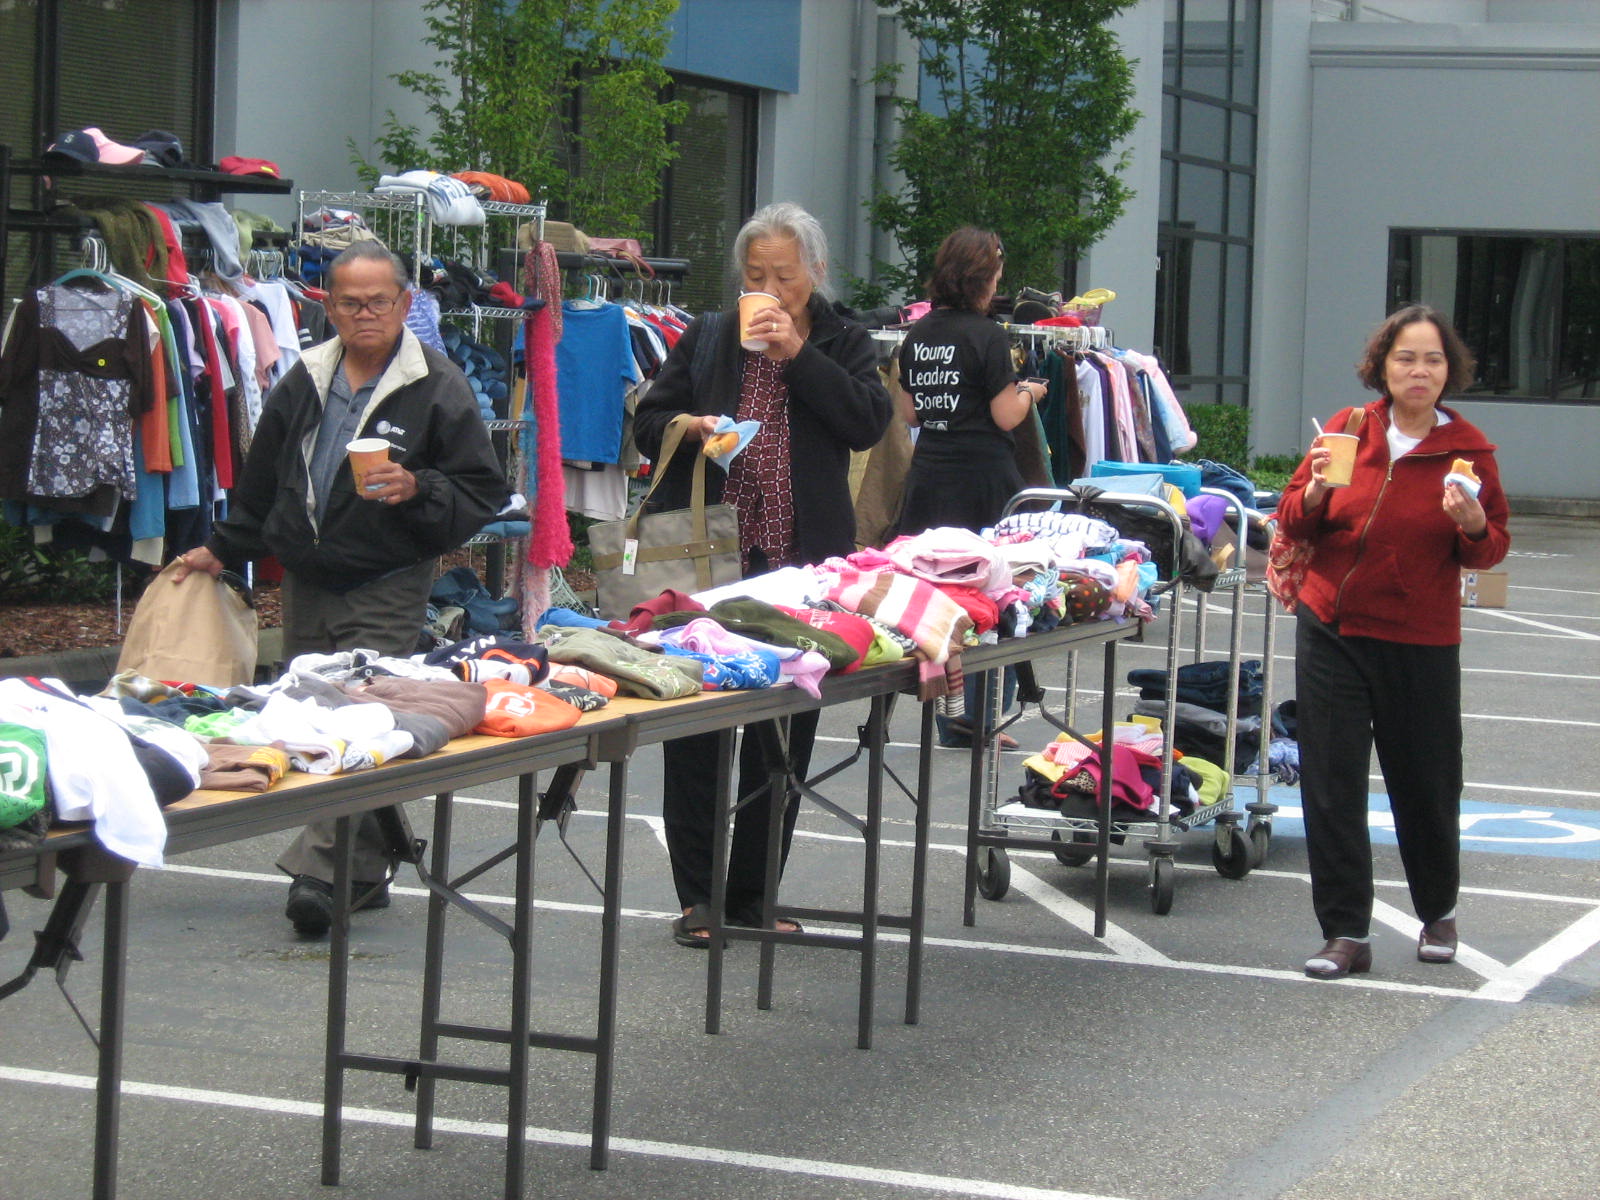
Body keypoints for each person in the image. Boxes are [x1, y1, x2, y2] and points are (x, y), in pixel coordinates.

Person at [174, 241, 507, 937]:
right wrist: (223, 548)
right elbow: (263, 476)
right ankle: (370, 861)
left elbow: (484, 490)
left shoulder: (436, 384)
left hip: (386, 580)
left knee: (353, 720)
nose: (365, 314)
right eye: (350, 302)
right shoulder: (308, 374)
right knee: (312, 724)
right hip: (308, 578)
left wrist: (419, 487)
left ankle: (320, 876)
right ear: (328, 305)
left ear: (405, 303)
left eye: (379, 301)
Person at [632, 201, 892, 947]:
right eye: (755, 276)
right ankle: (698, 900)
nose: (770, 290)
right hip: (710, 562)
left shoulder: (843, 339)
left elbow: (866, 422)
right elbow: (652, 418)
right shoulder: (711, 336)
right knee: (696, 730)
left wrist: (796, 356)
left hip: (801, 567)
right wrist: (690, 427)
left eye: (785, 276)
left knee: (783, 734)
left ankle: (751, 895)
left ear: (816, 272)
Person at [1275, 304, 1509, 980]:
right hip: (1333, 629)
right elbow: (1292, 519)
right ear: (1383, 365)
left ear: (1448, 372)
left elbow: (1491, 551)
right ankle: (1345, 932)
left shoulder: (1469, 452)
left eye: (1433, 359)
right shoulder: (1348, 431)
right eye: (1406, 357)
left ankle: (1437, 912)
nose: (1419, 370)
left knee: (1426, 780)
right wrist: (1315, 491)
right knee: (1331, 782)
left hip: (1419, 638)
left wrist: (1469, 525)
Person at [893, 226, 1042, 749]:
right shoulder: (988, 336)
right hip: (984, 478)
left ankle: (949, 716)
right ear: (986, 277)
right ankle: (980, 719)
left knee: (937, 597)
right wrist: (1028, 392)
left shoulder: (918, 336)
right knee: (988, 595)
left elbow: (909, 410)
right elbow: (1005, 417)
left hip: (931, 476)